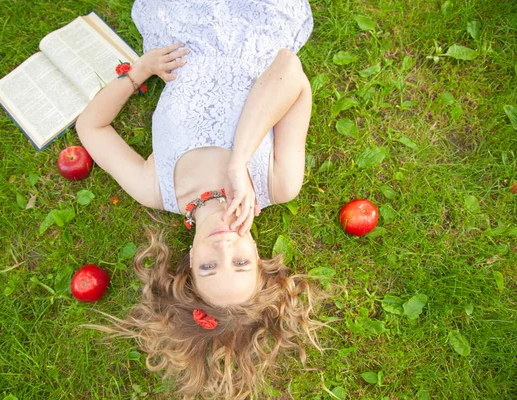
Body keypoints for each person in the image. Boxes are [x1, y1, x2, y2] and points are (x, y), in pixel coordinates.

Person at [77, 1, 330, 398]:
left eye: (210, 266)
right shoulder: (278, 183)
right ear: (259, 253)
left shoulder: (155, 188)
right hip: (258, 24)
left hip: (182, 27)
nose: (224, 246)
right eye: (241, 262)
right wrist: (240, 161)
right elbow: (287, 69)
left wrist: (138, 73)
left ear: (189, 263)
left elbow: (91, 126)